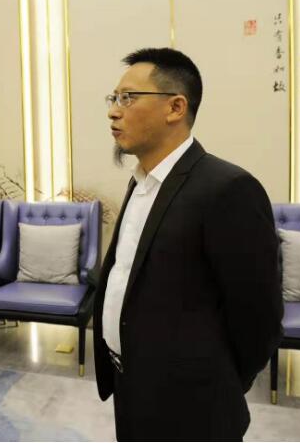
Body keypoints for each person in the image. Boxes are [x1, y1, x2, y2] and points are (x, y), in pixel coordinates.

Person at [92, 48, 283, 441]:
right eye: (113, 98)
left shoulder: (228, 189)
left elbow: (259, 317)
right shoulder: (140, 183)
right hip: (132, 389)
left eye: (128, 98)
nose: (113, 111)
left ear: (175, 107)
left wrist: (216, 381)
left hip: (195, 406)